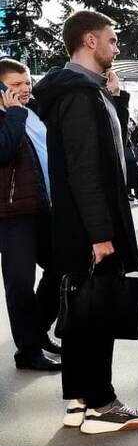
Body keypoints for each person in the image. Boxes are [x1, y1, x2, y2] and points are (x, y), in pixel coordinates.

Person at [33, 10, 138, 433]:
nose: (116, 48)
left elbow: (104, 151)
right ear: (90, 41)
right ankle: (101, 404)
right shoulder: (80, 96)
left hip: (77, 223)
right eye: (112, 40)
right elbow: (86, 170)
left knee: (80, 311)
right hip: (90, 226)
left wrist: (115, 99)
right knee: (96, 313)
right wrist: (101, 234)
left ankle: (79, 400)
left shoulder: (80, 91)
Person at [0, 58, 60, 372]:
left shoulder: (31, 110)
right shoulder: (11, 115)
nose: (24, 89)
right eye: (15, 84)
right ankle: (28, 351)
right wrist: (13, 114)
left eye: (27, 82)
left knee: (60, 268)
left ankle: (37, 332)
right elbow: (3, 151)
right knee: (20, 284)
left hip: (42, 207)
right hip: (11, 215)